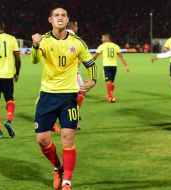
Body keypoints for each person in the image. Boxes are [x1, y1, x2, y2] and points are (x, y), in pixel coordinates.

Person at [30, 5, 97, 190]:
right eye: (56, 15)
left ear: (67, 20)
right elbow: (35, 60)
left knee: (68, 137)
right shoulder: (43, 40)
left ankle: (67, 181)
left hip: (68, 96)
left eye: (64, 15)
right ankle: (57, 167)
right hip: (47, 95)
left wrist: (93, 80)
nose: (60, 17)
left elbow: (90, 64)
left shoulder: (78, 42)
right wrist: (35, 46)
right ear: (50, 20)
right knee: (42, 139)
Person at [52, 20, 95, 132]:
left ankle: (72, 119)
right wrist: (93, 78)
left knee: (75, 94)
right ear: (74, 27)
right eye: (77, 26)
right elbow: (83, 61)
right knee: (72, 95)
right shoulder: (75, 39)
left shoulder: (59, 36)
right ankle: (62, 121)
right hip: (70, 73)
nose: (78, 28)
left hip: (58, 73)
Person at [93, 34, 129, 102]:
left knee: (108, 81)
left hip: (106, 66)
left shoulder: (102, 46)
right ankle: (109, 95)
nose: (101, 39)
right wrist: (126, 65)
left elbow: (95, 56)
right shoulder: (115, 46)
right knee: (111, 82)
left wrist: (90, 63)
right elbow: (121, 57)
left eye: (102, 38)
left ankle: (112, 97)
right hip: (114, 66)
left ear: (107, 39)